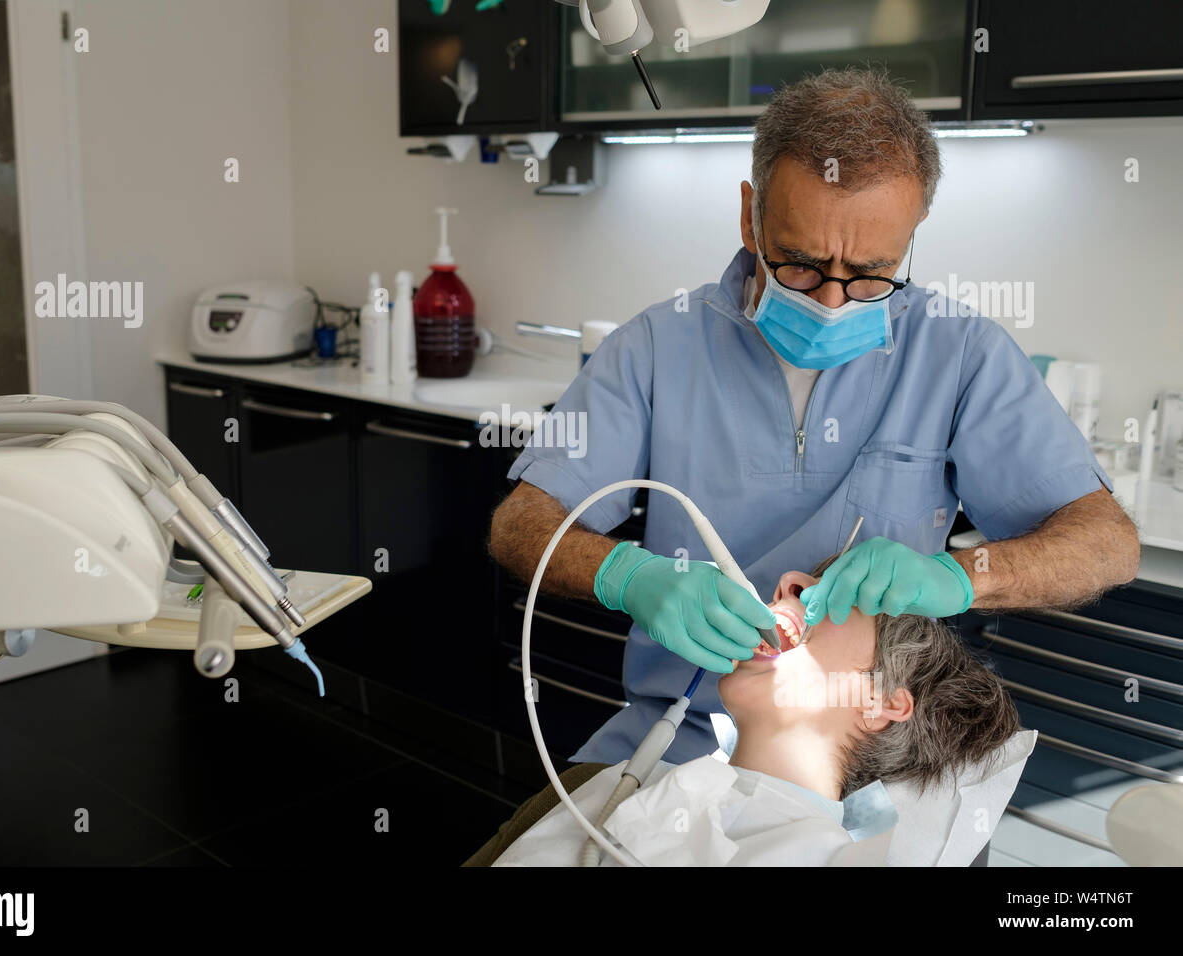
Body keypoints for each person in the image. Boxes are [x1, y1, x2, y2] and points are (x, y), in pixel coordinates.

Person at [488, 67, 1138, 768]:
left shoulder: (959, 355)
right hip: (676, 741)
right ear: (750, 216)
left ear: (911, 238)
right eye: (800, 266)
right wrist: (629, 576)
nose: (832, 301)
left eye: (868, 273)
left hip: (873, 761)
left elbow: (1107, 542)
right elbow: (520, 523)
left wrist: (959, 575)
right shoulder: (655, 347)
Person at [464, 558, 1020, 866]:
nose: (790, 583)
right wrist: (620, 573)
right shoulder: (599, 786)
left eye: (834, 592)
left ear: (879, 701)